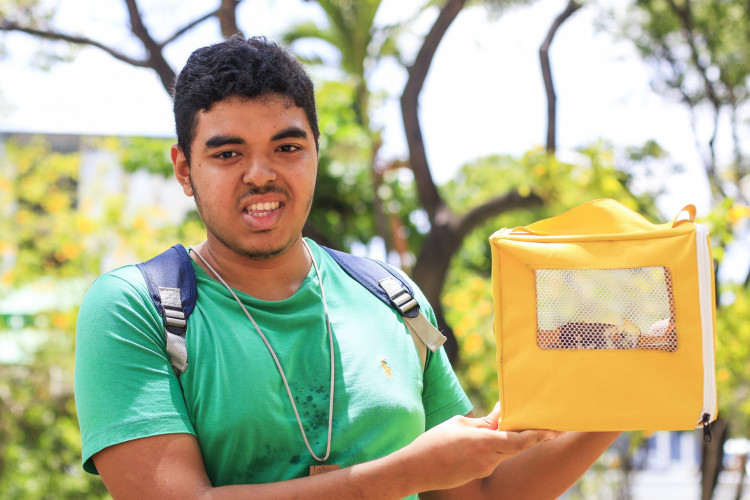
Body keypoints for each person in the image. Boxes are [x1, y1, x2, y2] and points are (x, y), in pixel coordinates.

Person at [74, 35, 619, 499]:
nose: (260, 174)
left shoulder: (391, 297)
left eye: (287, 147)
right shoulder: (137, 307)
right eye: (227, 154)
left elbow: (482, 492)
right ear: (184, 169)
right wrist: (408, 471)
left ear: (316, 151)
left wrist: (631, 394)